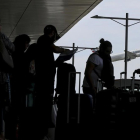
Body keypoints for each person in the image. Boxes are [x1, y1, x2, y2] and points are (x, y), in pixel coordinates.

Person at [34, 25, 70, 140]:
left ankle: (42, 131)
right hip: (45, 79)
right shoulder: (45, 39)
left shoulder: (42, 42)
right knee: (45, 104)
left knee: (45, 103)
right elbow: (55, 49)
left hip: (45, 77)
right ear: (53, 32)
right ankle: (43, 132)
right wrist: (65, 50)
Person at [82, 38, 114, 108]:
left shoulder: (105, 58)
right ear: (101, 49)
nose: (108, 54)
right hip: (90, 87)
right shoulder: (95, 58)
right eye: (107, 51)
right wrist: (92, 88)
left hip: (98, 87)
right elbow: (87, 73)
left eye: (110, 52)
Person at [0, 19, 15, 140]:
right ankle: (1, 134)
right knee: (2, 105)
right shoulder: (1, 36)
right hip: (2, 77)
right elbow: (12, 48)